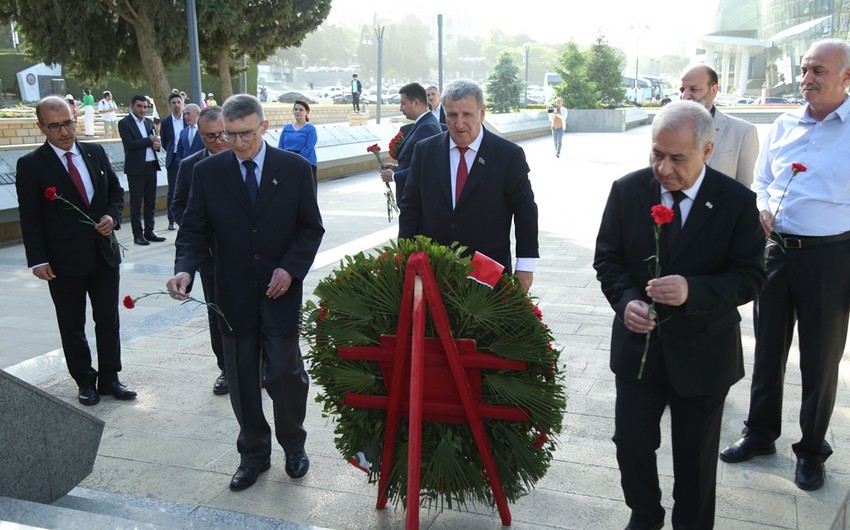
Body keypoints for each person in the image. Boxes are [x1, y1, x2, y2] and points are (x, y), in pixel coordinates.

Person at [593, 100, 766, 530]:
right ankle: (645, 514)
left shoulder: (736, 202)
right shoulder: (627, 190)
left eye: (677, 158)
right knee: (630, 443)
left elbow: (751, 277)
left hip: (703, 354)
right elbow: (608, 260)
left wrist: (694, 290)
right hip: (639, 349)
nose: (664, 169)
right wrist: (626, 300)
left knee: (695, 458)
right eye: (656, 154)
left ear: (707, 151)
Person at [166, 94, 324, 491]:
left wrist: (290, 268)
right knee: (240, 376)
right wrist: (184, 270)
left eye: (246, 135)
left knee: (287, 374)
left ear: (264, 127)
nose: (237, 144)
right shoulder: (208, 172)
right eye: (230, 136)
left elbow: (310, 229)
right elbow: (194, 229)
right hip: (231, 292)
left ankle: (293, 445)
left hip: (280, 291)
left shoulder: (295, 169)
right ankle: (253, 453)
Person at [719, 39, 850, 492]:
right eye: (805, 69)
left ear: (846, 78)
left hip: (831, 258)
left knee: (820, 359)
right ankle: (759, 433)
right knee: (768, 348)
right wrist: (763, 206)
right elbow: (762, 180)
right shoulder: (783, 123)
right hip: (775, 251)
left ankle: (812, 450)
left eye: (819, 71)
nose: (807, 78)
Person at [16, 96, 137, 406]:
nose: (64, 131)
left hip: (103, 254)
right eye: (55, 126)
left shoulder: (95, 152)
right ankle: (85, 380)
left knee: (108, 319)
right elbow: (30, 217)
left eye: (68, 122)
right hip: (62, 261)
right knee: (72, 324)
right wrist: (38, 259)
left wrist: (111, 216)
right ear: (41, 126)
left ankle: (111, 377)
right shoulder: (31, 165)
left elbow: (115, 191)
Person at [398, 79, 538, 291]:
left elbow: (525, 212)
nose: (459, 123)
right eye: (452, 115)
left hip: (488, 276)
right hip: (433, 273)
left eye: (467, 114)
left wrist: (525, 268)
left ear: (482, 112)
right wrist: (404, 258)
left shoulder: (508, 156)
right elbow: (410, 209)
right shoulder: (425, 151)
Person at [171, 105, 230, 396]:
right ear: (201, 136)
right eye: (211, 137)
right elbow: (178, 206)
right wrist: (198, 226)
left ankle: (262, 365)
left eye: (223, 134)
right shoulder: (190, 166)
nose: (219, 141)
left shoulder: (246, 160)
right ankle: (226, 369)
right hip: (210, 256)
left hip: (249, 256)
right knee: (217, 313)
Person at [679, 64, 759, 187]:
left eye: (694, 89)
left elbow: (747, 188)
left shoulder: (743, 132)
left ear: (713, 90)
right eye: (682, 90)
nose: (685, 96)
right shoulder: (666, 129)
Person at [379, 82, 442, 203]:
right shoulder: (421, 123)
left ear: (416, 102)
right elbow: (415, 161)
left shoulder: (427, 127)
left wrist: (393, 176)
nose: (400, 108)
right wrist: (397, 168)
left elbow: (425, 168)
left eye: (403, 103)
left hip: (417, 202)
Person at [118, 95, 163, 246]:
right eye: (139, 106)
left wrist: (156, 145)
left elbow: (153, 141)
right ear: (132, 106)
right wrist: (149, 141)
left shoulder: (149, 122)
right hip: (136, 168)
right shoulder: (124, 123)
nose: (143, 110)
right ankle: (137, 235)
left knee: (150, 202)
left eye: (144, 107)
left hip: (151, 165)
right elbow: (130, 145)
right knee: (136, 203)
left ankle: (149, 231)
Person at [159, 92, 185, 231]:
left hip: (187, 157)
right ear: (170, 105)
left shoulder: (187, 120)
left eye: (178, 102)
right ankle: (171, 219)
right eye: (174, 103)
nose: (176, 105)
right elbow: (164, 142)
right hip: (173, 158)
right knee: (173, 191)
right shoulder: (166, 122)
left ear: (182, 103)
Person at [277, 99, 318, 182]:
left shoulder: (310, 129)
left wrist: (295, 159)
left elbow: (309, 147)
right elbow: (281, 146)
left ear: (306, 112)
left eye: (301, 110)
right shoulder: (287, 128)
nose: (297, 112)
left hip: (306, 164)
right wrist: (286, 159)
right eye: (295, 109)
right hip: (288, 163)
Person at [176, 103, 203, 168]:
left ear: (198, 114)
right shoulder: (183, 132)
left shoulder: (205, 130)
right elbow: (179, 151)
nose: (185, 117)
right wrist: (181, 163)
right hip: (186, 170)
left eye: (188, 113)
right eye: (184, 114)